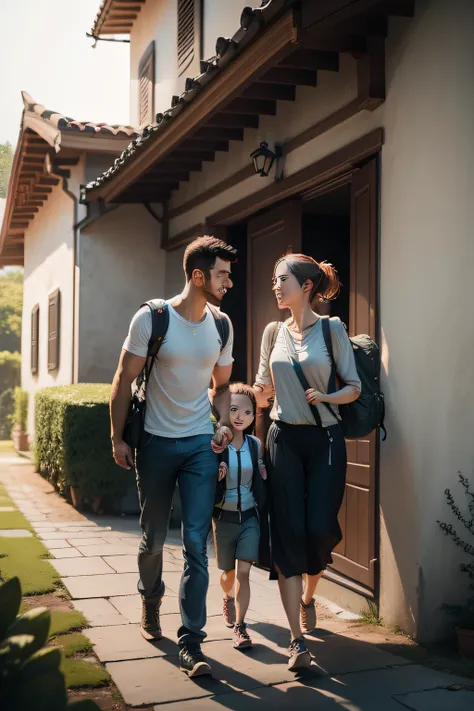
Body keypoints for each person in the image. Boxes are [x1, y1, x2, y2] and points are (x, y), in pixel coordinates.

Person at [110, 236, 237, 678]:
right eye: (222, 273)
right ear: (198, 276)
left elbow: (221, 388)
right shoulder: (153, 318)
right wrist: (117, 438)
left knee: (197, 545)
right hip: (157, 445)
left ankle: (191, 640)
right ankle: (150, 598)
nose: (229, 281)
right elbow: (123, 379)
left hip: (201, 447)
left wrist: (221, 423)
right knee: (152, 537)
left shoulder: (221, 326)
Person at [253, 254, 361, 671]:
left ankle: (308, 597)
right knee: (287, 531)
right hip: (283, 437)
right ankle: (297, 643)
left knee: (319, 527)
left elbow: (352, 387)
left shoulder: (332, 329)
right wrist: (249, 398)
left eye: (282, 280)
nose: (276, 287)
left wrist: (328, 397)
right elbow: (264, 388)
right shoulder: (271, 332)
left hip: (325, 439)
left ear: (307, 286)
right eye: (274, 280)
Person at [212, 383, 267, 651]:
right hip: (224, 517)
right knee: (228, 574)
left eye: (246, 411)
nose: (239, 416)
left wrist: (264, 474)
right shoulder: (216, 443)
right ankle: (227, 597)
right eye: (233, 409)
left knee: (244, 572)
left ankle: (240, 627)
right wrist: (216, 474)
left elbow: (261, 475)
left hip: (249, 518)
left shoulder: (256, 445)